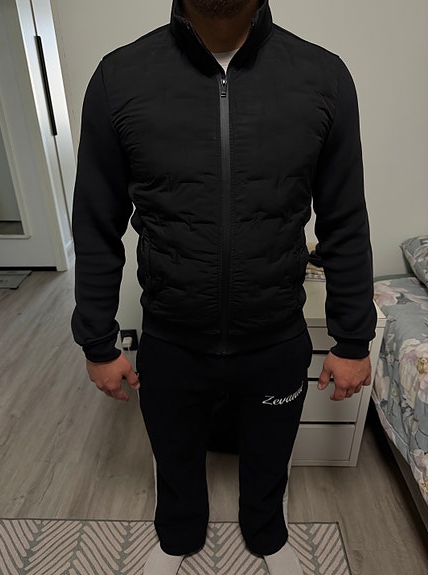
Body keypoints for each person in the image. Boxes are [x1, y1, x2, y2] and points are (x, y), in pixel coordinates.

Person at [71, 1, 377, 573]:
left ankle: (266, 534)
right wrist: (98, 341)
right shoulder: (120, 77)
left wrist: (353, 339)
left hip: (275, 335)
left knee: (269, 465)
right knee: (175, 469)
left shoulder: (323, 77)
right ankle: (179, 535)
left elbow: (345, 220)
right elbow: (95, 224)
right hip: (171, 338)